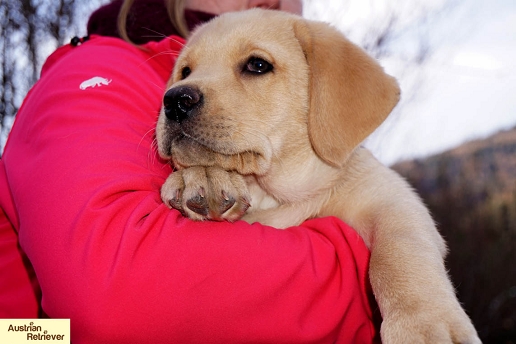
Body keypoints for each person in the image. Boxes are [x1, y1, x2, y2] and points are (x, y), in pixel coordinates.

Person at [0, 0, 380, 342]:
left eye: (256, 65)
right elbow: (111, 297)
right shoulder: (100, 69)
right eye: (185, 71)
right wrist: (378, 279)